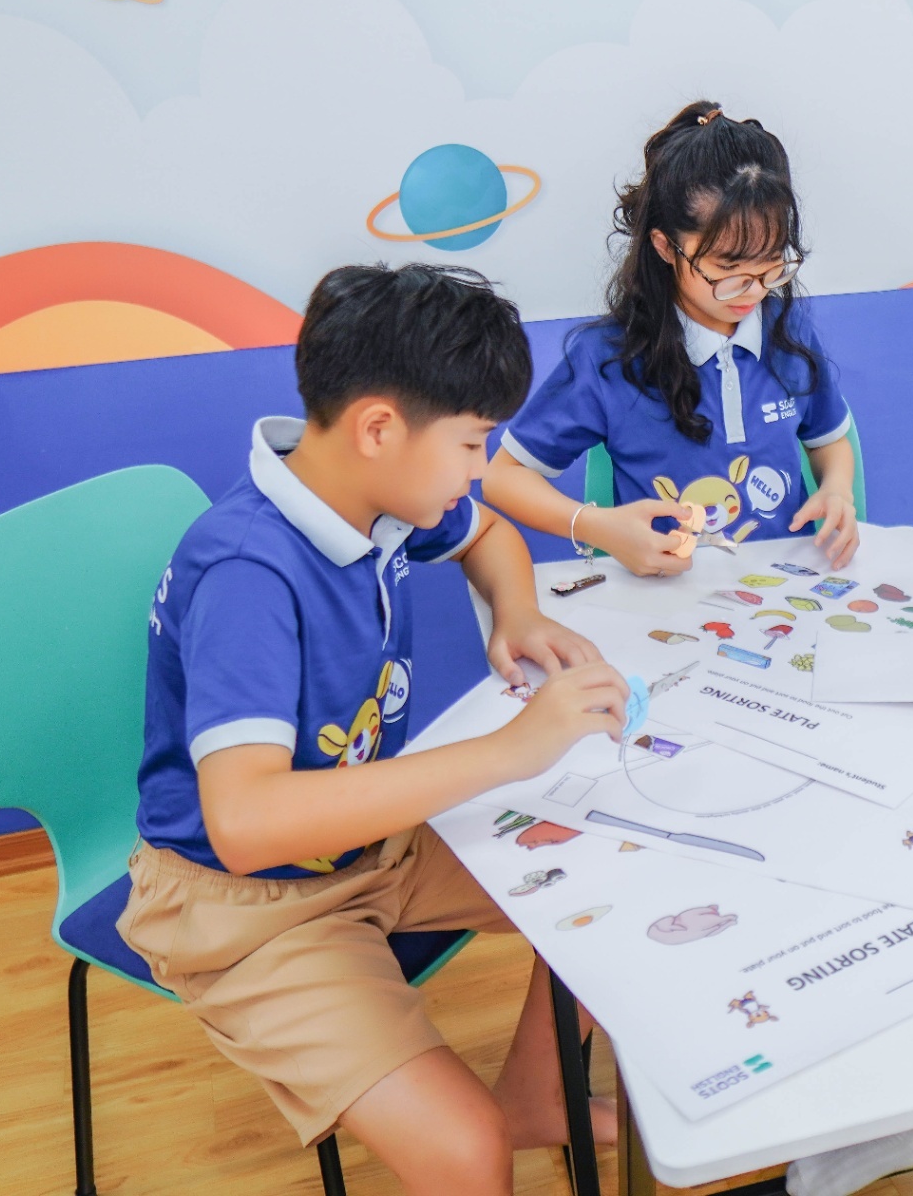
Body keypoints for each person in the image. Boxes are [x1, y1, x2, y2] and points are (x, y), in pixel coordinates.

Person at [120, 263, 627, 1196]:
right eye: (472, 444)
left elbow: (488, 536)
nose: (479, 469)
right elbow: (247, 825)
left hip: (372, 846)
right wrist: (509, 753)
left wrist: (518, 614)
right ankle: (506, 1115)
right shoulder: (247, 575)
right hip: (245, 904)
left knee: (612, 870)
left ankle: (539, 1095)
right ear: (380, 428)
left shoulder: (374, 495)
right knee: (466, 1152)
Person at [483, 101, 859, 574]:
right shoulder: (609, 357)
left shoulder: (787, 330)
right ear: (666, 246)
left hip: (784, 591)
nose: (753, 290)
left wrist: (837, 489)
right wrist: (599, 527)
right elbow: (504, 478)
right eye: (728, 269)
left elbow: (829, 440)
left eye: (771, 264)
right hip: (665, 598)